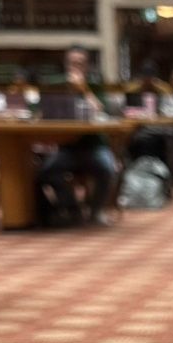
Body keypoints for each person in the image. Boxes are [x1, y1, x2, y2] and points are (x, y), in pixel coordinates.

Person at [35, 45, 119, 226]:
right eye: (72, 63)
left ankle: (96, 212)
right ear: (66, 64)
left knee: (108, 169)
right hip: (66, 148)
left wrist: (83, 89)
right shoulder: (56, 85)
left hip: (94, 145)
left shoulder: (95, 85)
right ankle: (72, 208)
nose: (75, 67)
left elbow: (100, 110)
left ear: (87, 66)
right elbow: (39, 111)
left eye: (80, 63)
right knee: (45, 173)